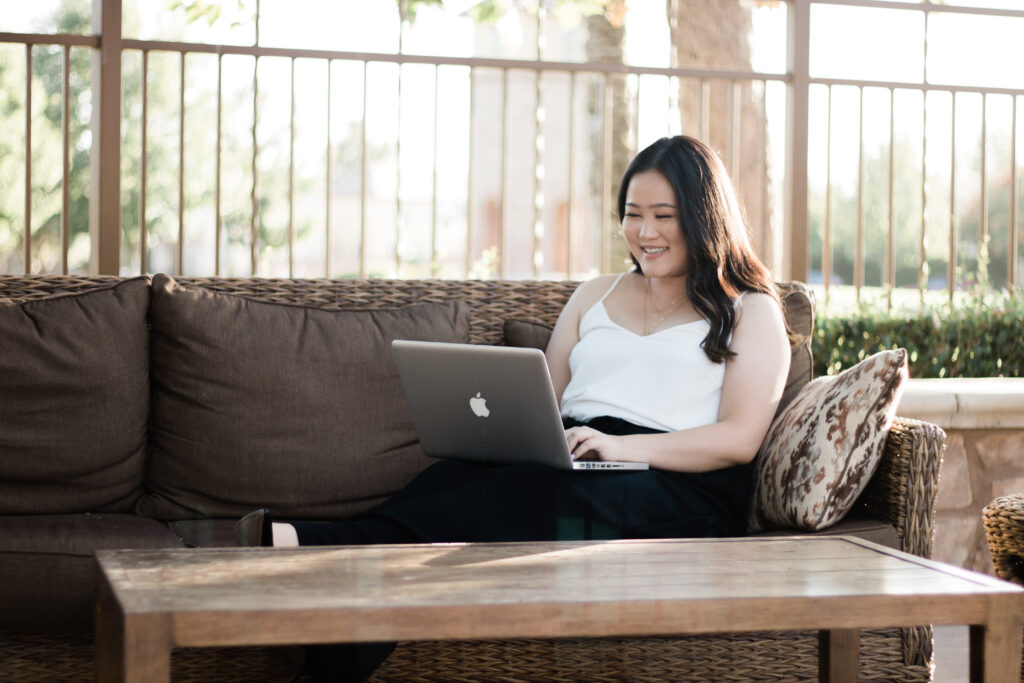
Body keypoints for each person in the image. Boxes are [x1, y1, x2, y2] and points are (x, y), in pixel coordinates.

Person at [236, 135, 792, 681]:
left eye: (663, 216)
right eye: (632, 214)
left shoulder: (750, 310)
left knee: (534, 494)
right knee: (448, 481)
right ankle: (324, 651)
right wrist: (510, 436)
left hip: (678, 482)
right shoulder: (595, 293)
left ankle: (306, 549)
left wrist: (620, 446)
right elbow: (542, 401)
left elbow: (739, 438)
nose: (644, 232)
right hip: (578, 453)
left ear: (703, 218)